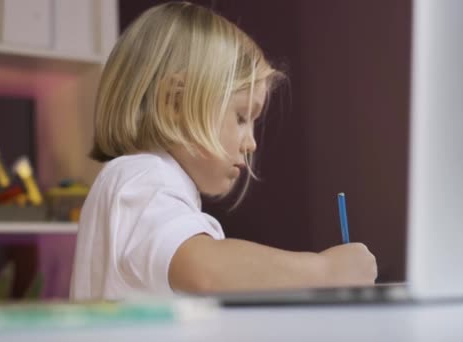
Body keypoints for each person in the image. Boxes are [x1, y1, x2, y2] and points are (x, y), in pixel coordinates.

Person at [70, 1, 377, 300]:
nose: (251, 143)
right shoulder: (143, 177)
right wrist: (325, 271)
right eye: (241, 117)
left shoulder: (143, 185)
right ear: (175, 103)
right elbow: (205, 272)